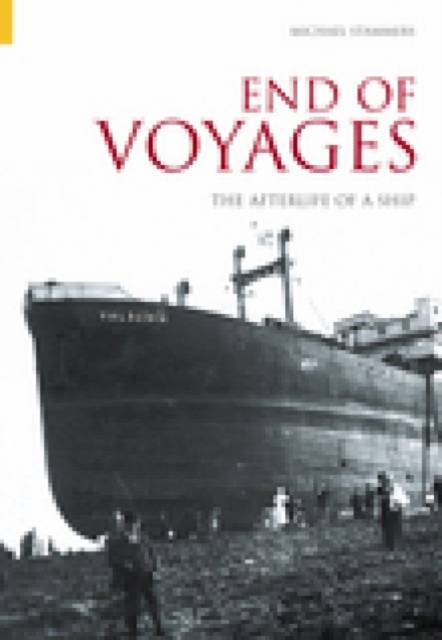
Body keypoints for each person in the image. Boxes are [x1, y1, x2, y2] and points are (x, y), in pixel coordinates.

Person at [118, 511, 165, 638]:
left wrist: (156, 569)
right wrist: (123, 565)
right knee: (132, 605)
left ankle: (158, 627)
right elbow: (114, 558)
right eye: (130, 524)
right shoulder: (119, 541)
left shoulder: (144, 538)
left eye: (135, 524)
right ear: (125, 525)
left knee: (152, 601)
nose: (133, 526)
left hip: (146, 574)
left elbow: (153, 554)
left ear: (138, 524)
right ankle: (132, 632)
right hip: (130, 577)